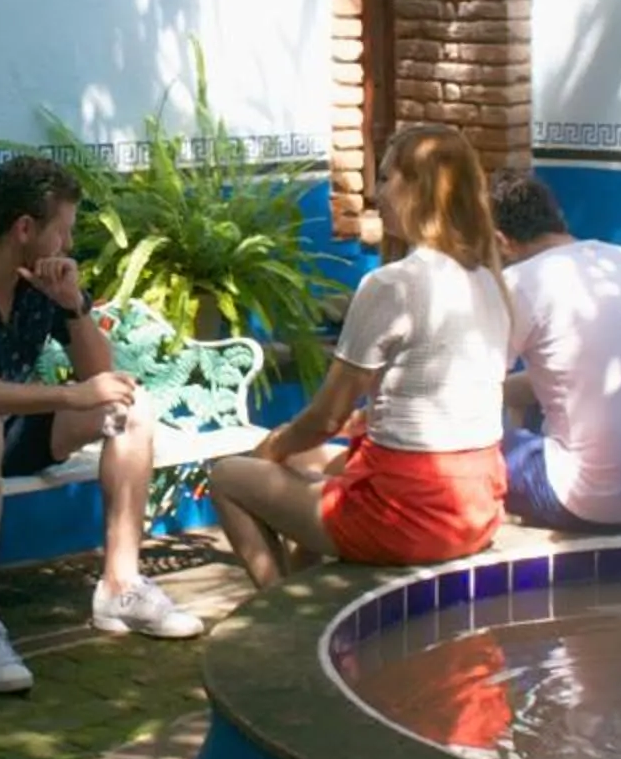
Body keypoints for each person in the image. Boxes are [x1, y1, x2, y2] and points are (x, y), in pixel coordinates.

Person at [0, 152, 204, 693]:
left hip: (4, 429)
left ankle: (121, 584)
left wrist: (72, 307)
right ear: (25, 228)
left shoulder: (41, 281)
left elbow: (103, 375)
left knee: (129, 407)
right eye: (64, 231)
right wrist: (69, 395)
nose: (67, 247)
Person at [204, 123, 511, 586]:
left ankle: (278, 607)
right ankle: (309, 590)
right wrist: (365, 423)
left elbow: (325, 418)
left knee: (229, 475)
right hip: (477, 507)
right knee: (314, 466)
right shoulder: (489, 282)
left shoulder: (394, 284)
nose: (377, 191)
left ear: (420, 188)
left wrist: (273, 445)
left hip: (408, 516)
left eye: (387, 178)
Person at [486, 168, 621, 530]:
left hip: (590, 501)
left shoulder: (519, 283)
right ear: (559, 219)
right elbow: (571, 376)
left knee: (466, 448)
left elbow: (472, 386)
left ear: (501, 241)